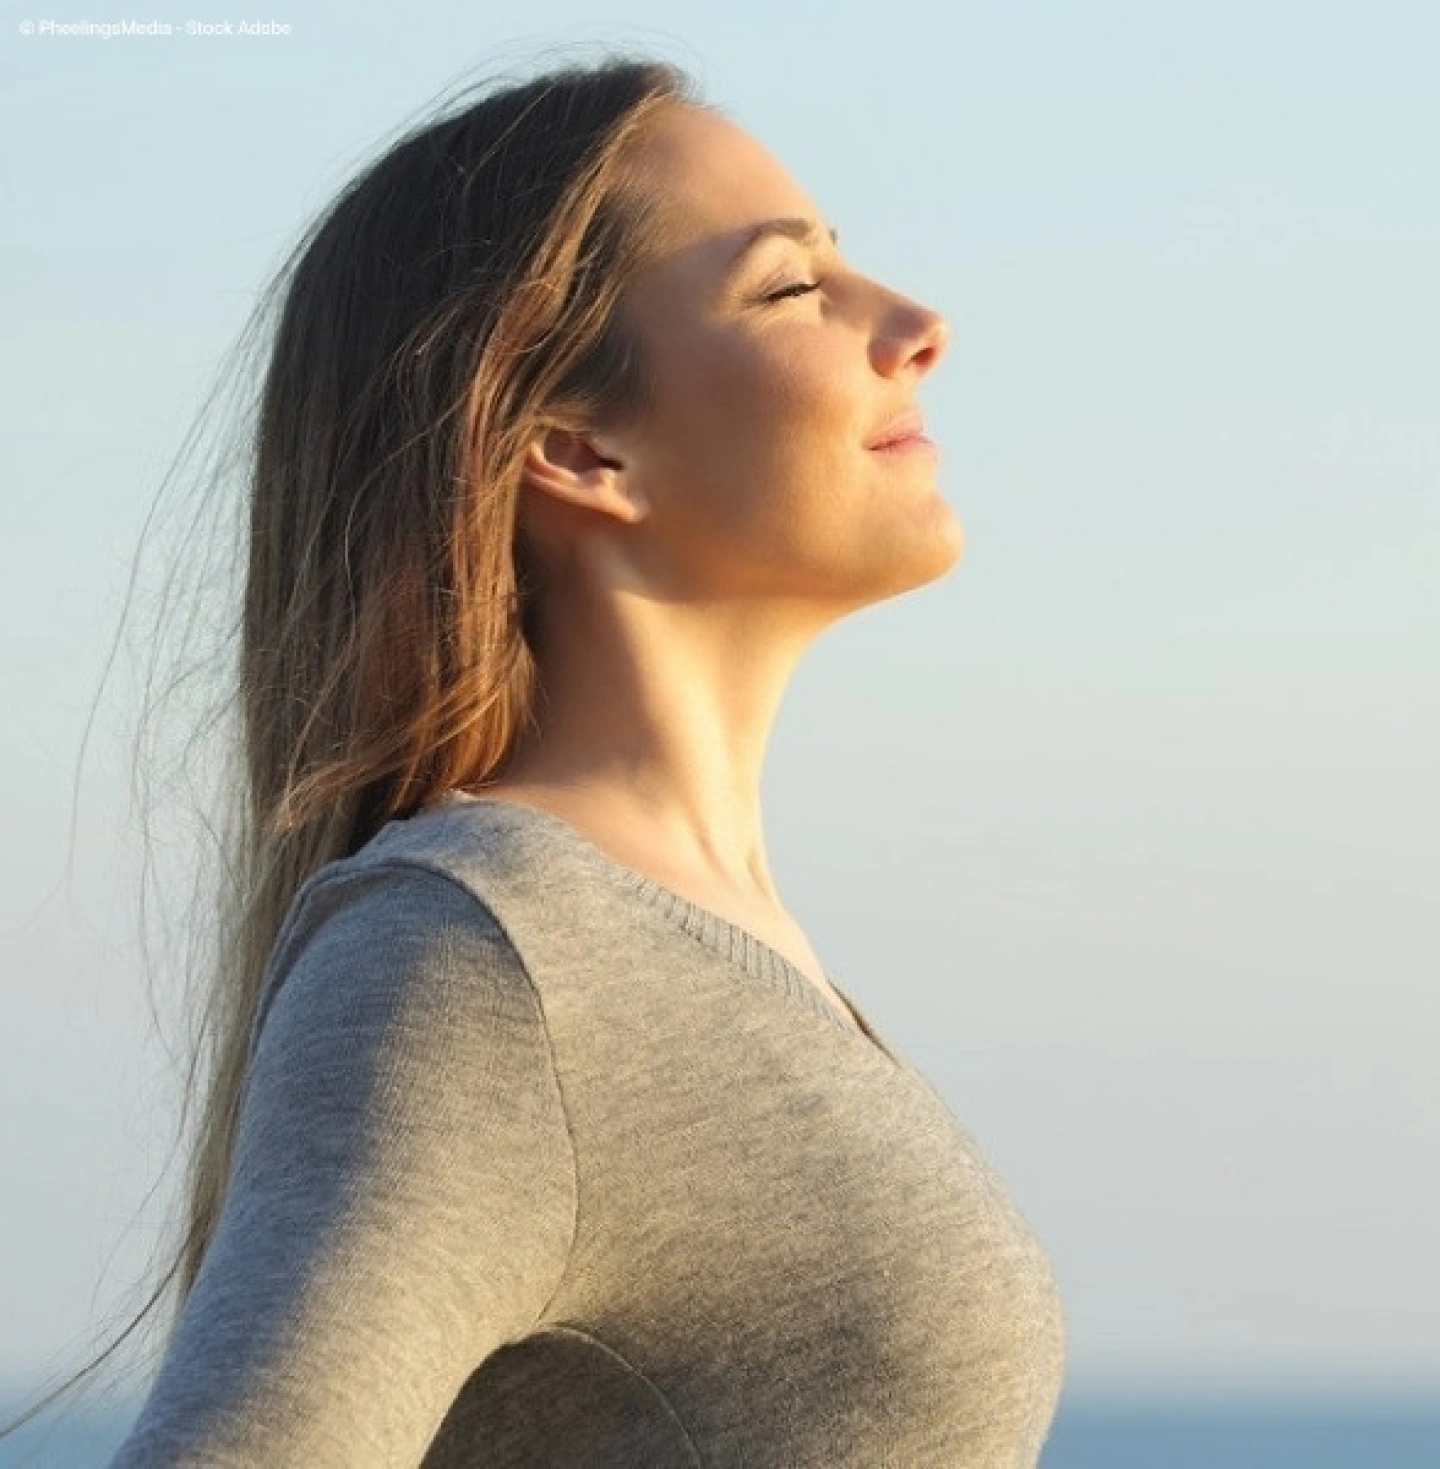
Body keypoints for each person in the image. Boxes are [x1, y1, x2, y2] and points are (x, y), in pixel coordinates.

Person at [33, 50, 1066, 1466]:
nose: (917, 323)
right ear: (576, 447)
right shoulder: (480, 956)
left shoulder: (682, 948)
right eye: (790, 287)